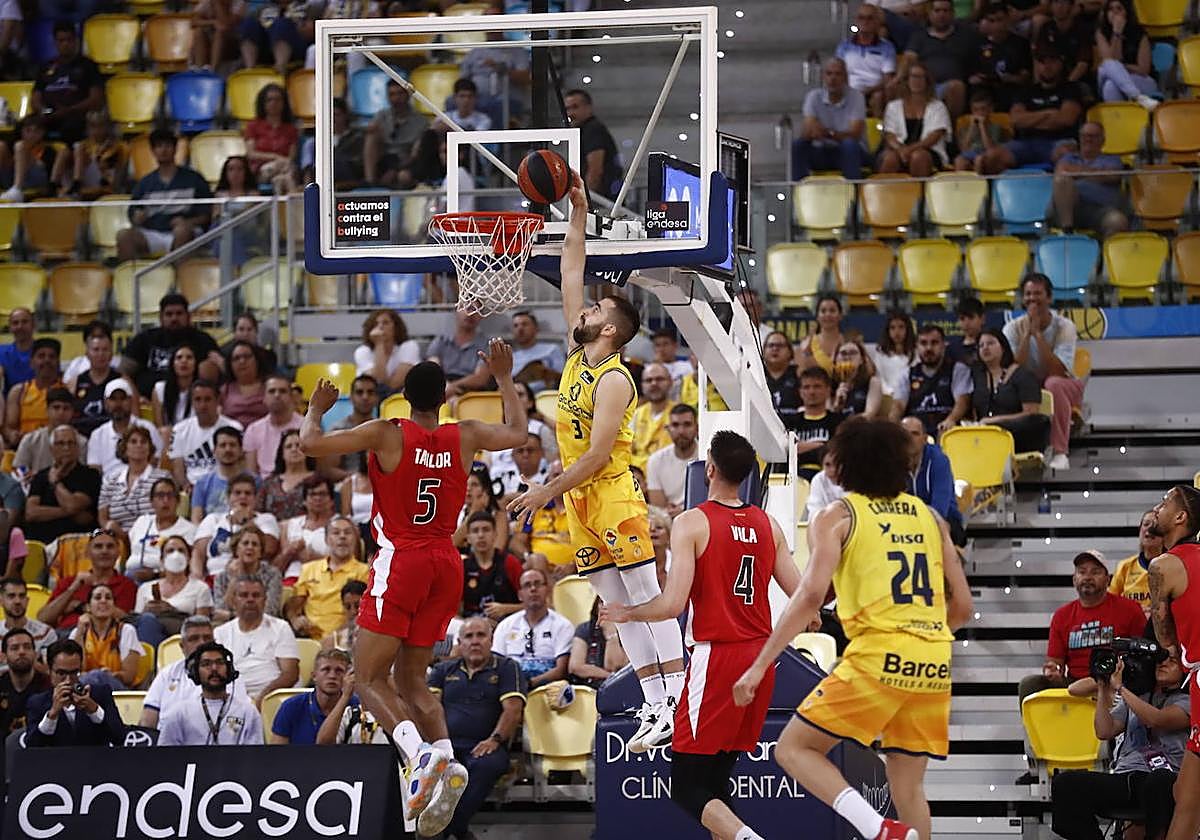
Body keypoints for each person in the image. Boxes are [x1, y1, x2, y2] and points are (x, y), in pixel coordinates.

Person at [299, 337, 528, 837]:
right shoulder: (464, 434)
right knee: (411, 682)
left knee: (365, 676)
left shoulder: (387, 432)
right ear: (444, 398)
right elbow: (518, 431)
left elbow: (309, 446)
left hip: (402, 558)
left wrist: (316, 410)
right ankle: (447, 759)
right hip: (447, 560)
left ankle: (420, 756)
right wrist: (506, 378)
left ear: (403, 398)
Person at [509, 174, 686, 755]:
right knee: (614, 607)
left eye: (595, 307)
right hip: (583, 502)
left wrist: (544, 492)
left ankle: (675, 695)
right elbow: (569, 268)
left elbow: (596, 456)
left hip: (609, 493)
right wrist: (579, 209)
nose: (582, 306)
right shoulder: (577, 354)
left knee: (643, 594)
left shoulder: (615, 378)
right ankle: (652, 698)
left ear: (608, 328)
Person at [733, 420, 973, 840]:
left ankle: (877, 829)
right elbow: (964, 607)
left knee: (793, 749)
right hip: (935, 660)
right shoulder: (932, 518)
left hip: (879, 653)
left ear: (842, 466)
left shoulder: (838, 515)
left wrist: (757, 666)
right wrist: (925, 636)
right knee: (909, 787)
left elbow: (809, 596)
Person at [604, 429, 801, 840]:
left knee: (686, 785)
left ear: (708, 468)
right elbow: (801, 595)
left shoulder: (692, 522)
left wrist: (627, 611)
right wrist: (814, 619)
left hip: (718, 658)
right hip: (761, 660)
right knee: (717, 779)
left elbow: (672, 605)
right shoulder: (770, 525)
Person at [1052, 653, 1188, 840]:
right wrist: (1102, 687)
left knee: (1158, 781)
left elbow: (1156, 719)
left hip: (1166, 779)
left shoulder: (1188, 701)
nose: (1163, 663)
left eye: (1172, 660)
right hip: (1127, 777)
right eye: (1161, 659)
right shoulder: (1138, 697)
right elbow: (1104, 731)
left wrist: (1121, 688)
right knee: (1065, 785)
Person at [427, 616, 525, 840]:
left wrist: (495, 740)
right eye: (468, 637)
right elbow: (430, 709)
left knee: (488, 765)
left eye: (481, 635)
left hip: (486, 744)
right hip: (445, 744)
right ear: (459, 644)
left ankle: (447, 827)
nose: (475, 641)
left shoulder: (507, 667)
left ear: (491, 640)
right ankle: (459, 831)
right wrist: (440, 744)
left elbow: (512, 709)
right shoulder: (442, 670)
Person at [1144, 484, 1200, 840]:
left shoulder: (1162, 565)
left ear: (1181, 517)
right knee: (1184, 792)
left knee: (1188, 801)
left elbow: (1165, 640)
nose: (1156, 508)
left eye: (1164, 503)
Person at [1017, 549, 1146, 702]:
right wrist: (1054, 672)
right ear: (1074, 579)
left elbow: (1142, 656)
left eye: (1095, 572)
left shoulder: (1130, 609)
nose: (1087, 577)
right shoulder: (1062, 616)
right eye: (1082, 572)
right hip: (1075, 684)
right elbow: (1055, 663)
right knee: (1030, 684)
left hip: (1115, 681)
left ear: (1108, 580)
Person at [1003, 273, 1084, 470]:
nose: (1032, 298)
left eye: (1038, 293)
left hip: (1065, 385)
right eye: (1028, 294)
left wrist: (1038, 335)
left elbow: (1056, 369)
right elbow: (1015, 368)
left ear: (1049, 298)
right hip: (1029, 386)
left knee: (1052, 384)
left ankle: (1059, 452)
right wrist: (1026, 335)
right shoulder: (1012, 328)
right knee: (1011, 389)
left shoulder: (1065, 327)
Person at [977, 49, 1084, 173]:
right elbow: (1015, 120)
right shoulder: (1026, 91)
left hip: (1059, 141)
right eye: (1042, 62)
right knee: (988, 158)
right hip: (1025, 143)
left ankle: (1062, 191)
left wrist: (1030, 119)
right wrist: (1048, 114)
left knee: (1067, 154)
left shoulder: (1071, 89)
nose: (1047, 66)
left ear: (1060, 64)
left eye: (1052, 62)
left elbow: (1066, 119)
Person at [117, 129, 214, 260]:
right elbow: (134, 212)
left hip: (185, 231)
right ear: (153, 151)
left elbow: (207, 214)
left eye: (167, 145)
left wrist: (188, 222)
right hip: (153, 232)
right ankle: (129, 279)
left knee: (182, 231)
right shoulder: (145, 184)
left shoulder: (194, 179)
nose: (163, 150)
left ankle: (182, 278)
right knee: (124, 236)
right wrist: (137, 218)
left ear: (175, 149)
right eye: (159, 146)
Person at [139, 615, 248, 728]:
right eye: (194, 639)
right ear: (182, 646)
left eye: (207, 638)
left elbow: (239, 719)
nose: (201, 643)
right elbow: (148, 719)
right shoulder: (166, 675)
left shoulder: (228, 675)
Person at [214, 576, 299, 706]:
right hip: (233, 699)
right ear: (233, 601)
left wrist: (264, 697)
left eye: (256, 595)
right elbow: (217, 672)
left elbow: (291, 674)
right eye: (244, 595)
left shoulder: (281, 627)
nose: (250, 600)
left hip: (272, 698)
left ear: (265, 600)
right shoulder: (220, 633)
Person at [158, 642, 263, 745]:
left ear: (229, 670)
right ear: (196, 672)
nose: (214, 668)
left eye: (219, 663)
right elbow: (166, 756)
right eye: (206, 664)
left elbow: (254, 757)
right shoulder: (179, 713)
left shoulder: (248, 712)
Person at [122, 292, 223, 400]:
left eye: (179, 313)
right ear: (161, 318)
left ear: (188, 316)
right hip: (147, 403)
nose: (174, 318)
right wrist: (136, 399)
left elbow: (218, 370)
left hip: (192, 403)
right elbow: (123, 373)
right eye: (169, 314)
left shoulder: (203, 340)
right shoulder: (144, 339)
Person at [26, 639, 124, 747]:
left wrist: (94, 710)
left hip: (94, 762)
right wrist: (52, 714)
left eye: (74, 673)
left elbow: (119, 737)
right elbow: (31, 747)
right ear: (49, 670)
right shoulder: (37, 703)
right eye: (61, 673)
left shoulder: (100, 694)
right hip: (56, 762)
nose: (68, 680)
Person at [285, 516, 368, 639]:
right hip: (310, 638)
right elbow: (294, 605)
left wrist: (336, 637)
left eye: (348, 532)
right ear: (326, 539)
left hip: (347, 638)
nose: (342, 537)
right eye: (336, 533)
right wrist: (295, 619)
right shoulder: (308, 569)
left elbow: (363, 613)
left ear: (356, 539)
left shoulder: (365, 571)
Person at [968, 328, 1050, 453]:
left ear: (1003, 347)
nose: (985, 348)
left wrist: (994, 422)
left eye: (990, 343)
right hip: (983, 435)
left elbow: (1031, 413)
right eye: (981, 345)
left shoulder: (1023, 375)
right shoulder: (977, 376)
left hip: (1017, 435)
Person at [38, 529, 136, 632]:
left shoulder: (127, 585)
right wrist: (73, 588)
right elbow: (43, 619)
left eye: (110, 546)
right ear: (88, 552)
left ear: (118, 552)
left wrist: (79, 606)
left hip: (104, 636)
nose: (104, 551)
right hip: (66, 636)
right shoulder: (69, 582)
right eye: (98, 546)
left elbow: (124, 618)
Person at [491, 568, 573, 688]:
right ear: (520, 595)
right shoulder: (506, 625)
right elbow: (496, 665)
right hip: (511, 690)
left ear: (547, 590)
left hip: (548, 689)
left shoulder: (563, 626)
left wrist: (529, 684)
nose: (533, 589)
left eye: (538, 584)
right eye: (527, 585)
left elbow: (561, 670)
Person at [29, 22, 103, 149]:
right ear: (55, 43)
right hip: (49, 115)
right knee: (24, 126)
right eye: (61, 40)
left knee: (71, 128)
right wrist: (42, 110)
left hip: (75, 115)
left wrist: (70, 110)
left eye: (69, 40)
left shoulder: (88, 65)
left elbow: (96, 99)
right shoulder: (46, 66)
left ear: (76, 41)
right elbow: (36, 97)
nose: (65, 44)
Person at [193, 473, 281, 579]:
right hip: (215, 576)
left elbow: (269, 549)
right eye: (237, 493)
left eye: (248, 493)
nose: (242, 497)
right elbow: (198, 552)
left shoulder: (266, 519)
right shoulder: (213, 519)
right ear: (228, 497)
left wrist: (246, 521)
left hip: (253, 578)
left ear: (255, 498)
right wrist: (197, 577)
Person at [23, 425, 101, 544]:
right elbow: (31, 513)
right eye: (61, 443)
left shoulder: (90, 475)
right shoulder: (41, 476)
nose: (66, 448)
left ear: (78, 448)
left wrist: (55, 482)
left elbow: (72, 505)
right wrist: (70, 513)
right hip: (42, 542)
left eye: (71, 443)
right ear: (51, 448)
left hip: (77, 542)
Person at [792, 58, 868, 180]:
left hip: (850, 153)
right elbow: (808, 130)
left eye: (838, 74)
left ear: (845, 78)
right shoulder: (813, 97)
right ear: (823, 77)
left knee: (849, 145)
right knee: (798, 145)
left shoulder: (856, 97)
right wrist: (817, 131)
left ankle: (854, 194)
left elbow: (855, 134)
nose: (833, 78)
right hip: (822, 151)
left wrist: (827, 133)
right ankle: (797, 192)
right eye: (829, 74)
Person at [133, 535, 213, 647]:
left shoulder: (200, 588)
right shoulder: (145, 588)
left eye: (181, 551)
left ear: (189, 557)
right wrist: (146, 611)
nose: (176, 555)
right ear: (162, 559)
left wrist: (171, 611)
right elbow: (136, 623)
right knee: (146, 620)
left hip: (182, 636)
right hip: (149, 631)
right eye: (170, 551)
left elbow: (202, 625)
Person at [899, 0, 975, 118]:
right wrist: (898, 78)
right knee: (897, 85)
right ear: (929, 14)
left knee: (956, 86)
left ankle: (949, 128)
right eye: (937, 11)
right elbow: (909, 58)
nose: (941, 15)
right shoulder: (919, 36)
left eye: (945, 11)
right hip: (924, 83)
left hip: (951, 85)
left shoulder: (964, 35)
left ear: (952, 14)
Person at [1051, 122, 1129, 235]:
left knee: (1118, 222)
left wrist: (1076, 172)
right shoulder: (1068, 158)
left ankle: (1106, 252)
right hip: (1070, 209)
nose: (1088, 139)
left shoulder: (1112, 160)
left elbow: (1113, 176)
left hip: (1100, 209)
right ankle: (1067, 231)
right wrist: (1096, 173)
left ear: (1103, 140)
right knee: (1062, 180)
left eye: (1093, 136)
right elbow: (1061, 173)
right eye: (1084, 136)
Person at [900, 417, 967, 547]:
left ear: (925, 439)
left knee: (943, 528)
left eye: (914, 434)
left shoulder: (939, 461)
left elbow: (939, 509)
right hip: (906, 521)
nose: (909, 439)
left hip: (943, 519)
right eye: (904, 434)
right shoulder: (892, 462)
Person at [878, 61, 951, 176]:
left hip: (928, 151)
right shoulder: (893, 106)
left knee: (918, 156)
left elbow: (933, 137)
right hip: (899, 150)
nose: (916, 81)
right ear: (906, 80)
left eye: (921, 77)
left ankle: (920, 193)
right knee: (890, 158)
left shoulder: (938, 107)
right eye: (913, 77)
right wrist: (901, 150)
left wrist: (909, 150)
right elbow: (889, 135)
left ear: (927, 81)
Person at [169, 380, 243, 490]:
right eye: (198, 400)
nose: (203, 405)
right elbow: (177, 466)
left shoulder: (235, 427)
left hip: (225, 486)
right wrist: (186, 486)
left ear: (217, 400)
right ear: (192, 402)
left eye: (208, 399)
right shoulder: (179, 430)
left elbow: (241, 463)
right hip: (192, 489)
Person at [270, 648, 353, 744]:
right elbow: (277, 754)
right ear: (314, 676)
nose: (332, 676)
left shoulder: (356, 706)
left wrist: (345, 697)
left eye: (339, 671)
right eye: (326, 669)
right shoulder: (290, 707)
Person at [97, 426, 170, 534]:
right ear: (125, 448)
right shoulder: (110, 480)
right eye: (133, 442)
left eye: (143, 442)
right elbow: (103, 518)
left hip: (153, 535)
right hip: (117, 540)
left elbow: (168, 513)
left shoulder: (162, 478)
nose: (139, 445)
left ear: (150, 448)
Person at [904, 324, 973, 437]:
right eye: (923, 343)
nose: (929, 348)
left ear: (943, 346)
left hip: (947, 427)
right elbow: (898, 406)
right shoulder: (907, 374)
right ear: (917, 346)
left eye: (934, 343)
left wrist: (951, 420)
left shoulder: (958, 369)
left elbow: (962, 401)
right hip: (916, 431)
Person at [69, 584, 141, 690]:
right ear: (88, 607)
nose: (103, 601)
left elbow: (129, 677)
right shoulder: (78, 632)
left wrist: (109, 676)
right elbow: (76, 670)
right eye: (98, 597)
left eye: (108, 598)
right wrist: (80, 633)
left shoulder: (126, 631)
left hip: (117, 689)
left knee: (98, 676)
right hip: (87, 688)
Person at [85, 379, 161, 476]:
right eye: (113, 399)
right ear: (105, 403)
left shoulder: (147, 428)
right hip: (108, 486)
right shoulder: (98, 435)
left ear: (131, 401)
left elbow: (156, 459)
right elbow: (95, 469)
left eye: (123, 398)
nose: (118, 404)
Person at [126, 479, 196, 581]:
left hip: (164, 578)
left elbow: (186, 566)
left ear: (178, 501)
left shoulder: (189, 529)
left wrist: (155, 574)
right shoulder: (142, 522)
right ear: (151, 501)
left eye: (170, 496)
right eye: (160, 495)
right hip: (131, 575)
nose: (165, 500)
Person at [211, 523, 284, 623]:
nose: (250, 547)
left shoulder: (272, 575)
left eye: (255, 544)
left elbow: (269, 612)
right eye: (245, 543)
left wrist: (230, 616)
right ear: (236, 549)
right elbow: (220, 613)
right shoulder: (221, 578)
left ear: (260, 552)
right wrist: (234, 580)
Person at [363, 81, 428, 188]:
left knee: (404, 176)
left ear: (408, 94)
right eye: (392, 94)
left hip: (407, 161)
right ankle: (369, 182)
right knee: (371, 135)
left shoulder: (421, 121)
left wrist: (395, 169)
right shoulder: (381, 116)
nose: (396, 98)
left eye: (400, 93)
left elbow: (415, 154)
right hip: (385, 158)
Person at [459, 510, 522, 621]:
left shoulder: (510, 563)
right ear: (468, 537)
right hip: (472, 629)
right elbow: (453, 612)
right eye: (475, 531)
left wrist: (507, 609)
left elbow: (532, 605)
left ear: (495, 534)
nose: (481, 535)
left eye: (486, 530)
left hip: (508, 627)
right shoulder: (462, 567)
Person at [967, 3, 1033, 108]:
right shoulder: (977, 45)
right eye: (992, 21)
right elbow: (971, 77)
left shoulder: (1021, 44)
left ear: (1008, 20)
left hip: (1010, 88)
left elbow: (1025, 78)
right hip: (984, 90)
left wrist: (1010, 78)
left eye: (999, 20)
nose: (996, 25)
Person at [835, 4, 897, 116]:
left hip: (876, 91)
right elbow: (838, 73)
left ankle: (879, 130)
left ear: (877, 22)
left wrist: (867, 91)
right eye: (861, 18)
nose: (865, 21)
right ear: (856, 20)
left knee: (878, 97)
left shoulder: (887, 47)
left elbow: (887, 78)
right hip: (849, 90)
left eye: (870, 18)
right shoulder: (844, 46)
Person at [67, 331, 132, 437]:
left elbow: (134, 414)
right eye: (96, 350)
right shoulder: (75, 382)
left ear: (111, 354)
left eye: (105, 350)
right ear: (87, 354)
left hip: (114, 435)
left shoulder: (123, 380)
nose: (101, 354)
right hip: (82, 438)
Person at [3, 338, 65, 450]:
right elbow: (8, 427)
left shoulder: (68, 390)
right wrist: (12, 435)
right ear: (31, 362)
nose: (47, 360)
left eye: (52, 357)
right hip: (25, 448)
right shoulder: (19, 391)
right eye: (41, 356)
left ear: (58, 362)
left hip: (57, 448)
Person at [1095, 0, 1158, 107]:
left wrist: (1122, 67)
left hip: (1140, 79)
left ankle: (1122, 119)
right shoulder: (1101, 33)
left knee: (1110, 85)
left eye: (1119, 8)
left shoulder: (1139, 33)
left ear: (1127, 12)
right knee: (1106, 67)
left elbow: (1143, 69)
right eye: (1110, 9)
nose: (1114, 12)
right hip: (1112, 77)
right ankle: (1137, 97)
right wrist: (1117, 33)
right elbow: (1111, 61)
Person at [13, 387, 87, 477]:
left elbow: (82, 474)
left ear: (72, 412)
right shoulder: (30, 439)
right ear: (47, 410)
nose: (61, 412)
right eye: (56, 407)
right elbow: (19, 469)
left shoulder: (81, 442)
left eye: (66, 408)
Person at [276, 476, 337, 581]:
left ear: (331, 500)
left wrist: (314, 558)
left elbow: (349, 564)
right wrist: (289, 552)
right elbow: (275, 568)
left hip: (326, 581)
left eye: (322, 494)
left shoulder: (341, 526)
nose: (317, 498)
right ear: (304, 501)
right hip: (292, 580)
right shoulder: (288, 525)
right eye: (312, 494)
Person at [241, 374, 301, 478]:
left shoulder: (306, 427)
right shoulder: (253, 430)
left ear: (291, 397)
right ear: (264, 398)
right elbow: (252, 473)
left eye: (282, 391)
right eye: (272, 391)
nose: (277, 395)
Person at [564, 89, 620, 200]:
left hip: (602, 202)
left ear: (588, 107)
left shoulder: (593, 130)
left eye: (575, 107)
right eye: (567, 109)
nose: (570, 113)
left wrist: (585, 202)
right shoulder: (583, 131)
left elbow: (595, 170)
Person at [646, 404, 699, 518]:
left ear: (697, 428)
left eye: (687, 424)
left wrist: (685, 511)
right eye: (675, 425)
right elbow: (658, 508)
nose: (681, 431)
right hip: (669, 521)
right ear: (668, 429)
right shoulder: (655, 461)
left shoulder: (706, 457)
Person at [61, 108, 127, 199]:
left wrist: (101, 158)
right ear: (87, 128)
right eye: (92, 126)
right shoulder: (82, 147)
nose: (97, 130)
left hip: (108, 187)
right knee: (74, 149)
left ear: (108, 126)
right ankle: (77, 183)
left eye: (101, 126)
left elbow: (119, 175)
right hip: (84, 188)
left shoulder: (118, 147)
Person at [244, 83, 298, 193]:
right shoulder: (253, 126)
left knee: (283, 178)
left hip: (284, 168)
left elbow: (291, 156)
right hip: (260, 170)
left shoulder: (291, 129)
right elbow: (251, 153)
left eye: (278, 100)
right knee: (286, 176)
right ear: (263, 103)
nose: (274, 103)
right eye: (269, 100)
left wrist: (281, 162)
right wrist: (275, 157)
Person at [1109, 510, 1165, 615]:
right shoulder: (1124, 567)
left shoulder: (1173, 566)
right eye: (1146, 524)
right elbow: (1110, 603)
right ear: (1139, 530)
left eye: (1156, 525)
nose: (1150, 529)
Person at [425, 310, 492, 398]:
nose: (470, 314)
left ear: (482, 315)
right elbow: (432, 370)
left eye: (476, 310)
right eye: (467, 308)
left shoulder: (486, 345)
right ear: (456, 310)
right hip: (440, 390)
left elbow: (480, 378)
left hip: (470, 394)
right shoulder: (440, 341)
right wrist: (445, 386)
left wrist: (451, 387)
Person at [354, 310, 421, 395]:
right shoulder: (362, 352)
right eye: (375, 324)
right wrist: (379, 344)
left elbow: (394, 384)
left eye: (385, 323)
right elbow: (378, 381)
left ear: (396, 327)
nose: (380, 327)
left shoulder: (409, 346)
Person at [795, 366, 843, 483]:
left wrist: (801, 447)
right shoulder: (789, 422)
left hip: (829, 478)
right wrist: (820, 445)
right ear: (800, 392)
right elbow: (785, 452)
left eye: (817, 386)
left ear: (828, 390)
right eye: (806, 387)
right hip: (795, 478)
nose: (811, 392)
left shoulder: (839, 421)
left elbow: (837, 452)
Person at [189, 426, 247, 522]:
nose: (228, 449)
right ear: (214, 451)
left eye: (232, 445)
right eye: (223, 445)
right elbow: (196, 519)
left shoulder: (254, 481)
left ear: (241, 450)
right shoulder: (202, 483)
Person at [0, 628, 52, 733]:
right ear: (4, 656)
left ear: (35, 654)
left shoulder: (48, 686)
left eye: (27, 647)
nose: (22, 652)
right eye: (14, 648)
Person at [257, 430, 317, 522]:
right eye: (289, 446)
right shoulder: (269, 483)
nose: (294, 449)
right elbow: (258, 513)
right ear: (282, 453)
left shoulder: (317, 480)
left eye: (298, 445)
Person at [1033, 0, 1092, 84]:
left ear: (1072, 6)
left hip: (1075, 82)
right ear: (1051, 6)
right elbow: (1039, 59)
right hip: (1051, 81)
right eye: (1056, 2)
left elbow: (1083, 64)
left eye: (1064, 2)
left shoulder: (1081, 29)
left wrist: (1066, 85)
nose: (1060, 6)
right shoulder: (1046, 28)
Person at [631, 363, 676, 472]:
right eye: (648, 380)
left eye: (659, 379)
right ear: (642, 385)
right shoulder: (634, 415)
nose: (654, 383)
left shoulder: (681, 415)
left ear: (670, 382)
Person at [953, 88, 1008, 173]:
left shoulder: (996, 128)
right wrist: (972, 128)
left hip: (986, 156)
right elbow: (963, 149)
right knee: (959, 160)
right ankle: (960, 185)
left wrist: (982, 127)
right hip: (970, 154)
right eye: (976, 110)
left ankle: (978, 185)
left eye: (983, 109)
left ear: (990, 109)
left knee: (979, 160)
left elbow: (990, 149)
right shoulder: (965, 127)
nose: (979, 113)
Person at [510, 310, 566, 393]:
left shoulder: (552, 350)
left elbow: (562, 378)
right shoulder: (510, 356)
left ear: (536, 328)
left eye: (524, 324)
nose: (520, 328)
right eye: (516, 326)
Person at [872, 313, 916, 416]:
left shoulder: (916, 353)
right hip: (887, 397)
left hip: (911, 396)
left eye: (901, 327)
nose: (897, 332)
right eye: (893, 328)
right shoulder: (881, 353)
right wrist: (891, 393)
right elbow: (879, 377)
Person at [151, 344, 199, 436]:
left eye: (189, 358)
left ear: (196, 363)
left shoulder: (201, 390)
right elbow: (159, 426)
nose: (184, 361)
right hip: (168, 439)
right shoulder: (160, 389)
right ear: (172, 363)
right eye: (179, 357)